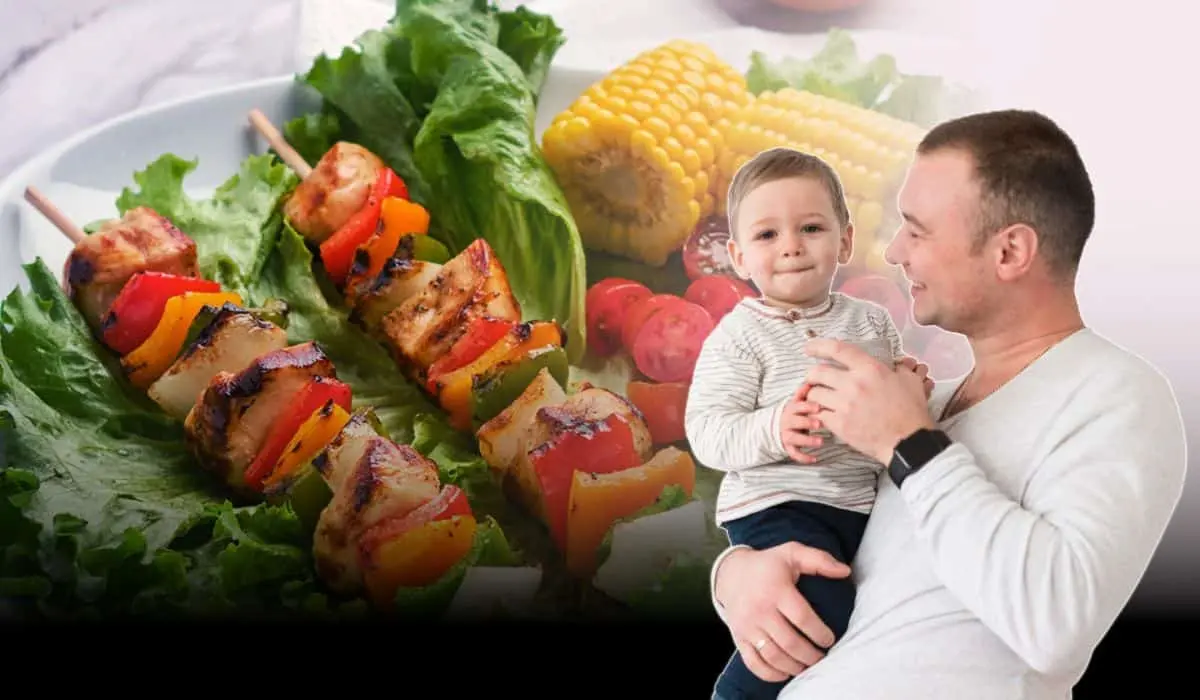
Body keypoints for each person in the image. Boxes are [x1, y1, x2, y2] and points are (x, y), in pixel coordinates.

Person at [706, 108, 1188, 699]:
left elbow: (1057, 625)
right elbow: (851, 564)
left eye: (919, 229)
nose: (895, 252)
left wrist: (909, 444)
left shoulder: (1117, 394)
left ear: (1010, 252)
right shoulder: (921, 401)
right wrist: (735, 577)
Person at [683, 146, 934, 700]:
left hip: (859, 507)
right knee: (815, 609)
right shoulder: (739, 336)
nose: (792, 245)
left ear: (845, 240)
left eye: (811, 227)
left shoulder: (869, 320)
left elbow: (893, 400)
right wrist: (775, 428)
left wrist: (910, 382)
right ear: (738, 256)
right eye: (767, 235)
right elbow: (707, 431)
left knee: (866, 624)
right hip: (778, 505)